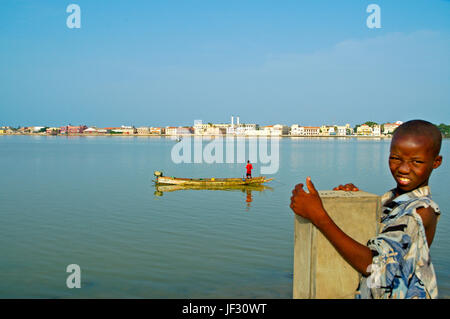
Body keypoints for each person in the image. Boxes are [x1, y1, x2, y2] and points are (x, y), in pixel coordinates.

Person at [290, 120, 443, 299]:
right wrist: (355, 203)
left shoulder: (420, 212)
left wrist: (318, 216)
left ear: (436, 162)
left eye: (416, 162)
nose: (403, 169)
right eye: (395, 158)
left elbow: (372, 264)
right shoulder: (391, 199)